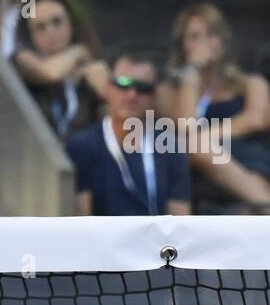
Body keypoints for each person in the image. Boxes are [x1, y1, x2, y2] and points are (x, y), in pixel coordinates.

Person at [156, 2, 270, 213]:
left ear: (223, 41)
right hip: (196, 173)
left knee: (246, 213)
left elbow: (259, 118)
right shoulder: (169, 90)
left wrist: (206, 139)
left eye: (210, 35)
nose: (203, 44)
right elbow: (186, 128)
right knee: (193, 147)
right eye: (194, 37)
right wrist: (192, 73)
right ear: (182, 45)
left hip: (248, 157)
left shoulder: (251, 83)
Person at [66, 50, 192, 216]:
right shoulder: (82, 146)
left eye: (142, 88)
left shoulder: (169, 147)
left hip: (156, 241)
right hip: (103, 240)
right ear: (107, 89)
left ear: (153, 98)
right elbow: (82, 223)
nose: (132, 95)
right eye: (123, 84)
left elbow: (180, 220)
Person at [12, 0, 110, 141]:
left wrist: (106, 94)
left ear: (72, 24)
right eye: (40, 27)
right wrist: (80, 50)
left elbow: (114, 131)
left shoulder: (92, 69)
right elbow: (50, 73)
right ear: (30, 35)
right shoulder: (21, 61)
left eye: (57, 22)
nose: (51, 32)